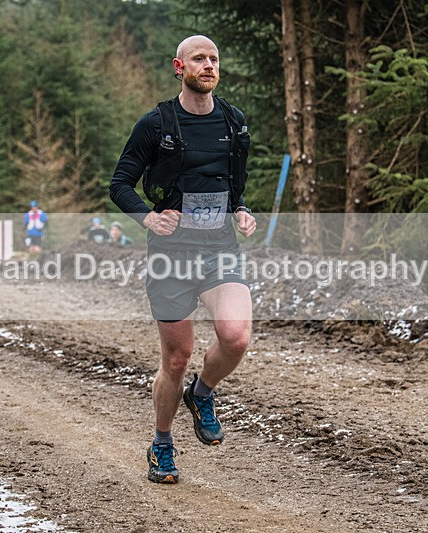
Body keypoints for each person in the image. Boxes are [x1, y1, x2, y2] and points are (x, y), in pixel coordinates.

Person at [109, 35, 256, 484]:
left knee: (236, 337)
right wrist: (148, 218)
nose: (208, 65)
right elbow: (120, 184)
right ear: (179, 67)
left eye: (214, 59)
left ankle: (203, 392)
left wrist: (241, 209)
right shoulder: (156, 124)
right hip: (171, 256)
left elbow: (233, 184)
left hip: (219, 250)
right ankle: (161, 443)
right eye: (199, 59)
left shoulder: (233, 121)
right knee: (176, 359)